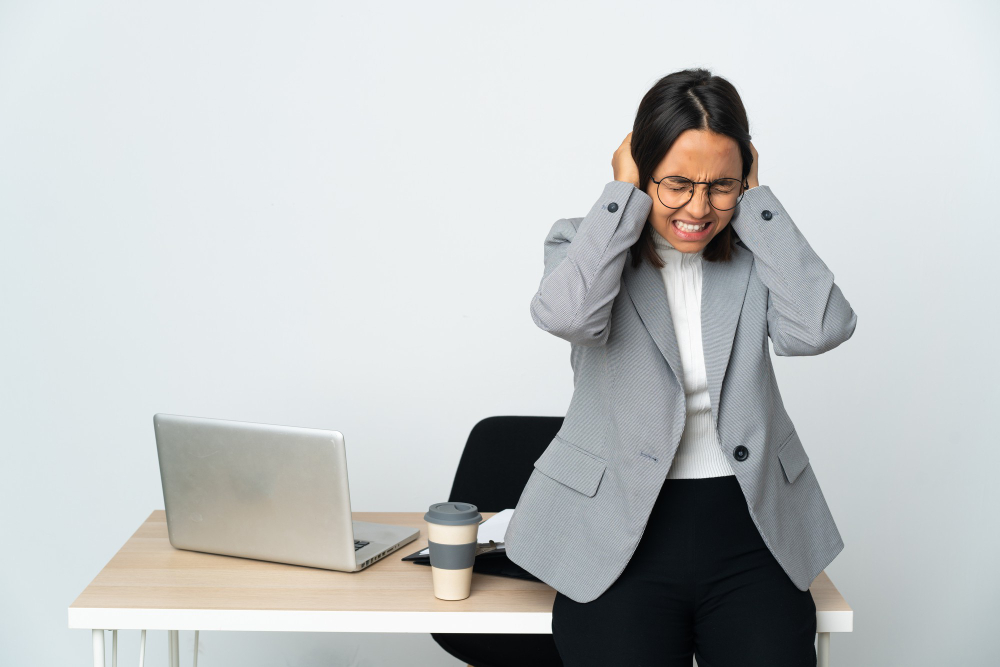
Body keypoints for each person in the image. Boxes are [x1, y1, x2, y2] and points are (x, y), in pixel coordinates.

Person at [503, 68, 858, 666]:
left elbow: (821, 328)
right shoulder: (586, 242)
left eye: (721, 185)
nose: (699, 207)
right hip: (617, 529)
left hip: (749, 526)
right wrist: (623, 194)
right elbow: (567, 317)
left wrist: (758, 202)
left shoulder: (755, 255)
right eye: (677, 184)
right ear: (643, 172)